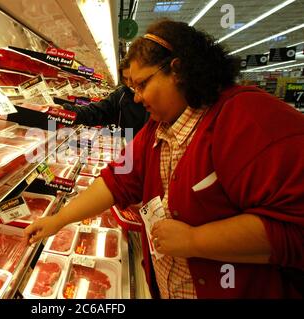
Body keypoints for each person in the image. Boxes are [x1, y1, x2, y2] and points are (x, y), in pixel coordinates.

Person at [24, 19, 304, 299]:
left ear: (178, 70)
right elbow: (116, 181)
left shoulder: (246, 117)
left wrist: (195, 241)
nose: (136, 98)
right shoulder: (158, 128)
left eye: (143, 84)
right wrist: (58, 220)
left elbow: (294, 230)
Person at [60, 58, 149, 140]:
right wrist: (65, 110)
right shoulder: (121, 94)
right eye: (126, 79)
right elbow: (96, 111)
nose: (129, 83)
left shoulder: (153, 95)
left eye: (132, 78)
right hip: (132, 144)